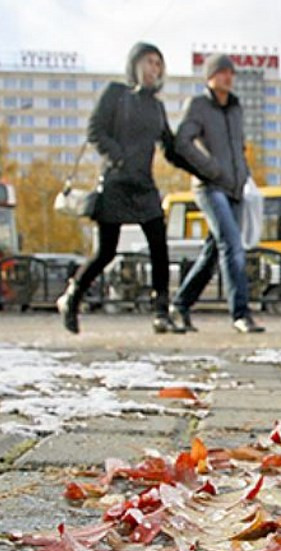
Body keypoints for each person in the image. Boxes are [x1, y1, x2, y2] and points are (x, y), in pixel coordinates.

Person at [57, 41, 181, 334]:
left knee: (158, 246)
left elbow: (172, 149)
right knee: (106, 252)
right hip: (116, 183)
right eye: (149, 62)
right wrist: (120, 158)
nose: (154, 69)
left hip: (144, 186)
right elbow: (95, 131)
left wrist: (205, 166)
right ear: (136, 64)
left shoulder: (157, 107)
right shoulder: (116, 94)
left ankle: (161, 312)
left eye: (158, 64)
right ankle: (72, 297)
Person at [168, 53, 264, 334]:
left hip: (234, 189)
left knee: (212, 254)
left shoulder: (236, 109)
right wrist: (208, 168)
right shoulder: (198, 106)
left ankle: (181, 304)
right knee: (233, 245)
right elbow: (181, 142)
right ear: (209, 77)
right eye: (221, 72)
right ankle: (241, 313)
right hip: (209, 187)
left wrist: (244, 174)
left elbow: (239, 146)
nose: (227, 77)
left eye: (230, 72)